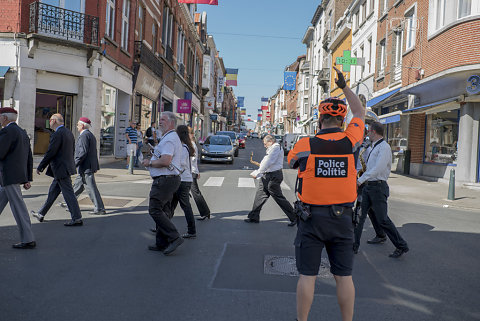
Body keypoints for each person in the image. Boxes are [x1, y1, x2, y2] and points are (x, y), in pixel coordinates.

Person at [288, 66, 364, 321]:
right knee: (344, 276)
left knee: (307, 276)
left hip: (312, 219)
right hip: (343, 218)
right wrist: (344, 87)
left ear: (320, 121)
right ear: (342, 122)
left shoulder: (304, 144)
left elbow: (292, 162)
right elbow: (360, 111)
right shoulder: (352, 141)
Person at [357, 121, 409, 258]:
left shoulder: (384, 147)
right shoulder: (374, 146)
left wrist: (360, 180)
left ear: (374, 132)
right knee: (369, 214)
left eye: (368, 131)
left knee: (383, 219)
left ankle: (401, 246)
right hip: (369, 186)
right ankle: (380, 236)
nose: (367, 134)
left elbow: (378, 168)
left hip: (378, 187)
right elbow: (370, 167)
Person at [141, 111, 184, 255]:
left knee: (154, 209)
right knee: (164, 211)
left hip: (165, 180)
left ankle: (174, 237)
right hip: (169, 179)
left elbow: (166, 161)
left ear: (171, 122)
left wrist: (150, 163)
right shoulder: (169, 137)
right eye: (159, 119)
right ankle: (161, 242)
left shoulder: (170, 139)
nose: (160, 122)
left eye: (163, 120)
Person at [32, 114, 83, 226]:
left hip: (60, 168)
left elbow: (51, 152)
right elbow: (72, 150)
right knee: (53, 192)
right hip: (64, 168)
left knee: (68, 193)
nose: (49, 122)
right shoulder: (68, 132)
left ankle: (77, 217)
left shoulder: (58, 134)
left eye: (50, 120)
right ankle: (41, 213)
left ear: (54, 121)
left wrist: (41, 166)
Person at [0, 107, 36, 249]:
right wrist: (27, 178)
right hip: (12, 176)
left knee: (18, 208)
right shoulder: (22, 132)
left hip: (8, 176)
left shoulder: (7, 131)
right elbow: (29, 157)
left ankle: (28, 239)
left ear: (5, 118)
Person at [244, 135, 296, 226]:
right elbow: (266, 162)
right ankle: (254, 217)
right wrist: (260, 172)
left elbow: (269, 161)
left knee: (279, 198)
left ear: (271, 141)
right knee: (259, 196)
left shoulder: (275, 148)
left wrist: (258, 173)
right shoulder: (272, 148)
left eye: (265, 143)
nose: (264, 146)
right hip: (267, 175)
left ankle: (294, 217)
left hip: (273, 176)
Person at [353, 129, 386, 254]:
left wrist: (362, 177)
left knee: (360, 211)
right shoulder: (356, 145)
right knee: (370, 210)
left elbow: (373, 165)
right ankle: (381, 234)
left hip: (364, 180)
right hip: (357, 178)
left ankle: (354, 244)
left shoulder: (369, 146)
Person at [68, 117, 106, 215]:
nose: (76, 126)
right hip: (86, 166)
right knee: (78, 185)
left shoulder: (84, 135)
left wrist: (73, 164)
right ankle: (69, 202)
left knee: (91, 188)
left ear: (82, 125)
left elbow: (82, 152)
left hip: (86, 167)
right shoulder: (89, 135)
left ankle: (100, 208)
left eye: (77, 124)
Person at [170, 125, 196, 239]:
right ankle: (162, 227)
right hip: (182, 179)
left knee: (185, 206)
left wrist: (169, 162)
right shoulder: (185, 146)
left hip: (183, 180)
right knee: (171, 205)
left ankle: (192, 231)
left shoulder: (184, 147)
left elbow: (182, 164)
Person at [188, 127, 211, 221]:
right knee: (176, 195)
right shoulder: (190, 144)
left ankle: (205, 212)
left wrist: (196, 171)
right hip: (189, 172)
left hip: (190, 172)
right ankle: (167, 216)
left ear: (191, 135)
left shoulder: (191, 145)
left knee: (196, 193)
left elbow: (193, 159)